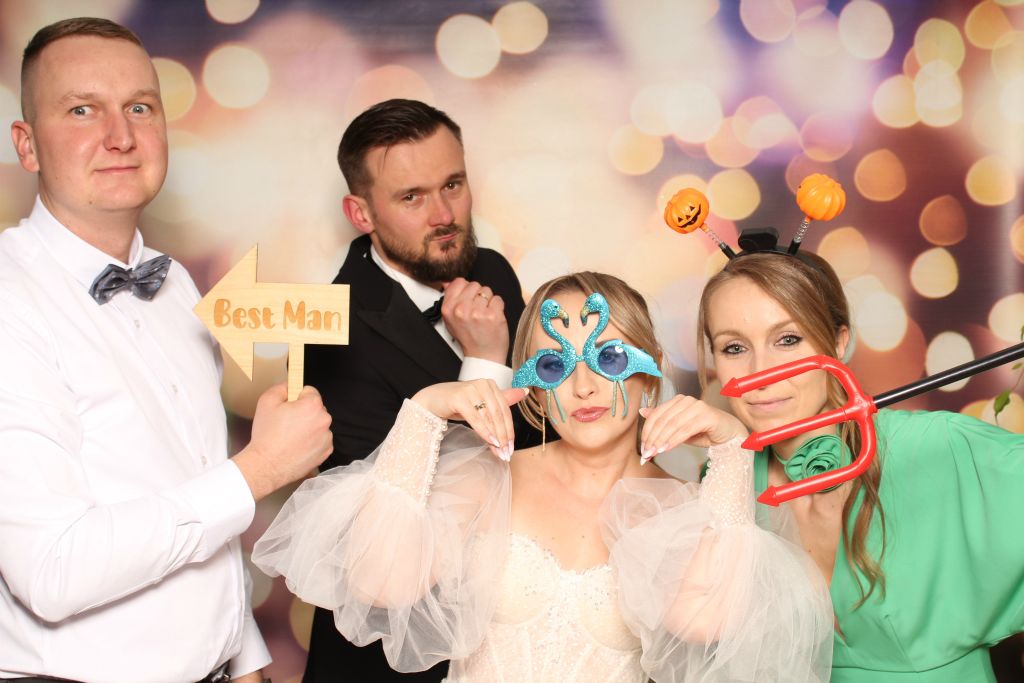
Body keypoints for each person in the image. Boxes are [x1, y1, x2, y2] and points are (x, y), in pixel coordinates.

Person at [255, 271, 834, 682]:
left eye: (609, 358)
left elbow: (706, 623)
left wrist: (732, 449)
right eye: (555, 364)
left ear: (650, 371)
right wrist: (424, 411)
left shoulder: (683, 507)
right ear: (532, 387)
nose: (583, 387)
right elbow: (380, 585)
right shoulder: (489, 476)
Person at [0, 17, 333, 683]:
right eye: (82, 110)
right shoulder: (11, 300)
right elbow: (52, 570)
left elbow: (197, 511)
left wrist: (245, 661)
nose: (120, 136)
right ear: (27, 145)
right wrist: (260, 469)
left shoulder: (177, 284)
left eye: (140, 108)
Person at [695, 249, 1024, 681]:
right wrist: (728, 456)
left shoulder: (937, 447)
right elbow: (697, 628)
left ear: (838, 342)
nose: (762, 372)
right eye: (734, 347)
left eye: (787, 339)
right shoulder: (728, 476)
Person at [302, 98, 534, 682]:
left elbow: (538, 441)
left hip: (507, 636)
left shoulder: (494, 271)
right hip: (393, 659)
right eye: (412, 197)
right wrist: (486, 360)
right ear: (360, 213)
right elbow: (400, 525)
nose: (444, 214)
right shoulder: (332, 330)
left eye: (453, 184)